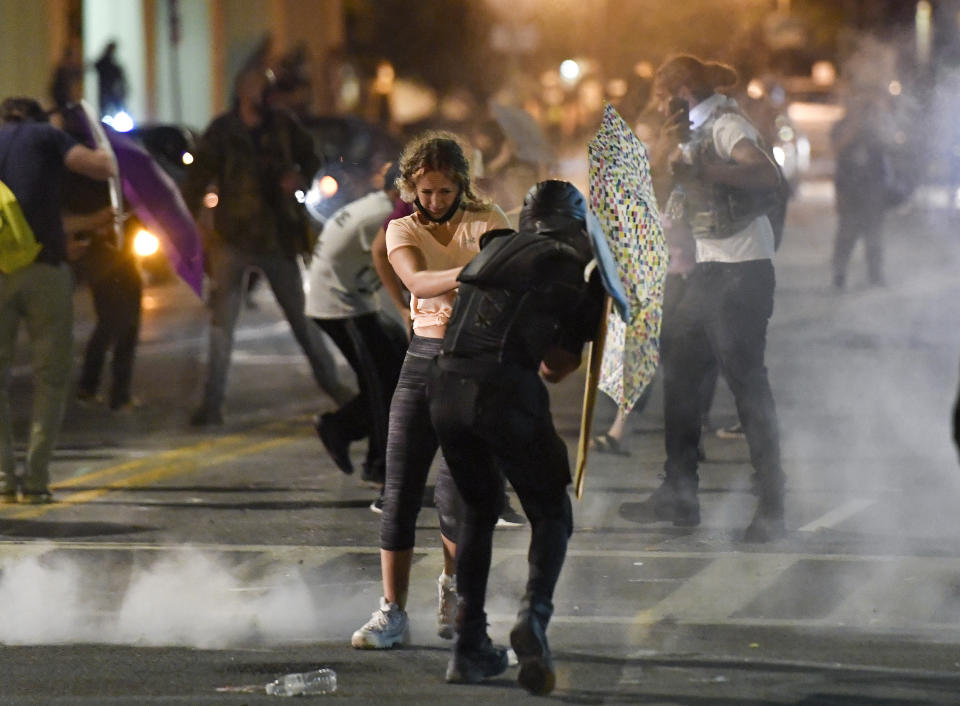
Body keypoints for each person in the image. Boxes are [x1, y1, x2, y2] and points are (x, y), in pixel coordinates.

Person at [428, 181, 605, 692]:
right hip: (502, 391)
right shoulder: (568, 267)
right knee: (551, 512)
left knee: (476, 514)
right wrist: (598, 310)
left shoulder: (496, 246)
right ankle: (534, 619)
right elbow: (556, 367)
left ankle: (467, 647)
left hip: (444, 389)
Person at [350, 132, 510, 649]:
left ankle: (452, 588)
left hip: (476, 364)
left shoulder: (490, 221)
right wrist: (478, 271)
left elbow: (512, 282)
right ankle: (391, 611)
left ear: (462, 185)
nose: (436, 202)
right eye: (426, 192)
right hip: (424, 359)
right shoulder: (402, 229)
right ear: (411, 189)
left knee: (458, 493)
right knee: (399, 490)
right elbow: (417, 283)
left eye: (445, 191)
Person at [648, 55, 786, 542]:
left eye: (663, 96)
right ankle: (680, 493)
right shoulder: (692, 131)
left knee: (746, 384)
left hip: (742, 270)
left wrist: (706, 169)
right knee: (681, 371)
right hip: (708, 269)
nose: (659, 106)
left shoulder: (726, 125)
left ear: (683, 91)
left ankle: (771, 505)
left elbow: (764, 173)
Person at [181, 68, 352, 426]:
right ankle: (211, 405)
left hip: (277, 236)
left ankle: (334, 387)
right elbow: (198, 176)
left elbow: (312, 155)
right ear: (244, 91)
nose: (266, 94)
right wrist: (192, 221)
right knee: (221, 326)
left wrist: (300, 178)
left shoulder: (284, 126)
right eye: (259, 88)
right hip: (232, 237)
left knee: (302, 321)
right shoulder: (224, 130)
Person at [0, 96, 116, 504]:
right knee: (50, 377)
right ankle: (35, 479)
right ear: (36, 116)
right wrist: (112, 144)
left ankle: (3, 478)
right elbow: (102, 166)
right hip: (44, 271)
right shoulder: (48, 136)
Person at [307, 161, 407, 486]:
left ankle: (340, 428)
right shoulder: (382, 216)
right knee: (386, 384)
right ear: (399, 191)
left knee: (388, 376)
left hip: (347, 297)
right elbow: (399, 260)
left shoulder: (377, 205)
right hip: (340, 304)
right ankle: (377, 463)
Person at [831, 89, 896, 290]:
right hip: (849, 188)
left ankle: (875, 274)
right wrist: (854, 128)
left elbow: (892, 145)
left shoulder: (878, 124)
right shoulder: (843, 125)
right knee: (847, 234)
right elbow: (836, 148)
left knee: (874, 234)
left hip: (873, 189)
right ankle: (839, 274)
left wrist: (876, 126)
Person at [93, 41, 128, 119]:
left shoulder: (113, 63)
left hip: (113, 91)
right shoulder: (104, 62)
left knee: (119, 109)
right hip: (106, 91)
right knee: (105, 111)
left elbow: (120, 77)